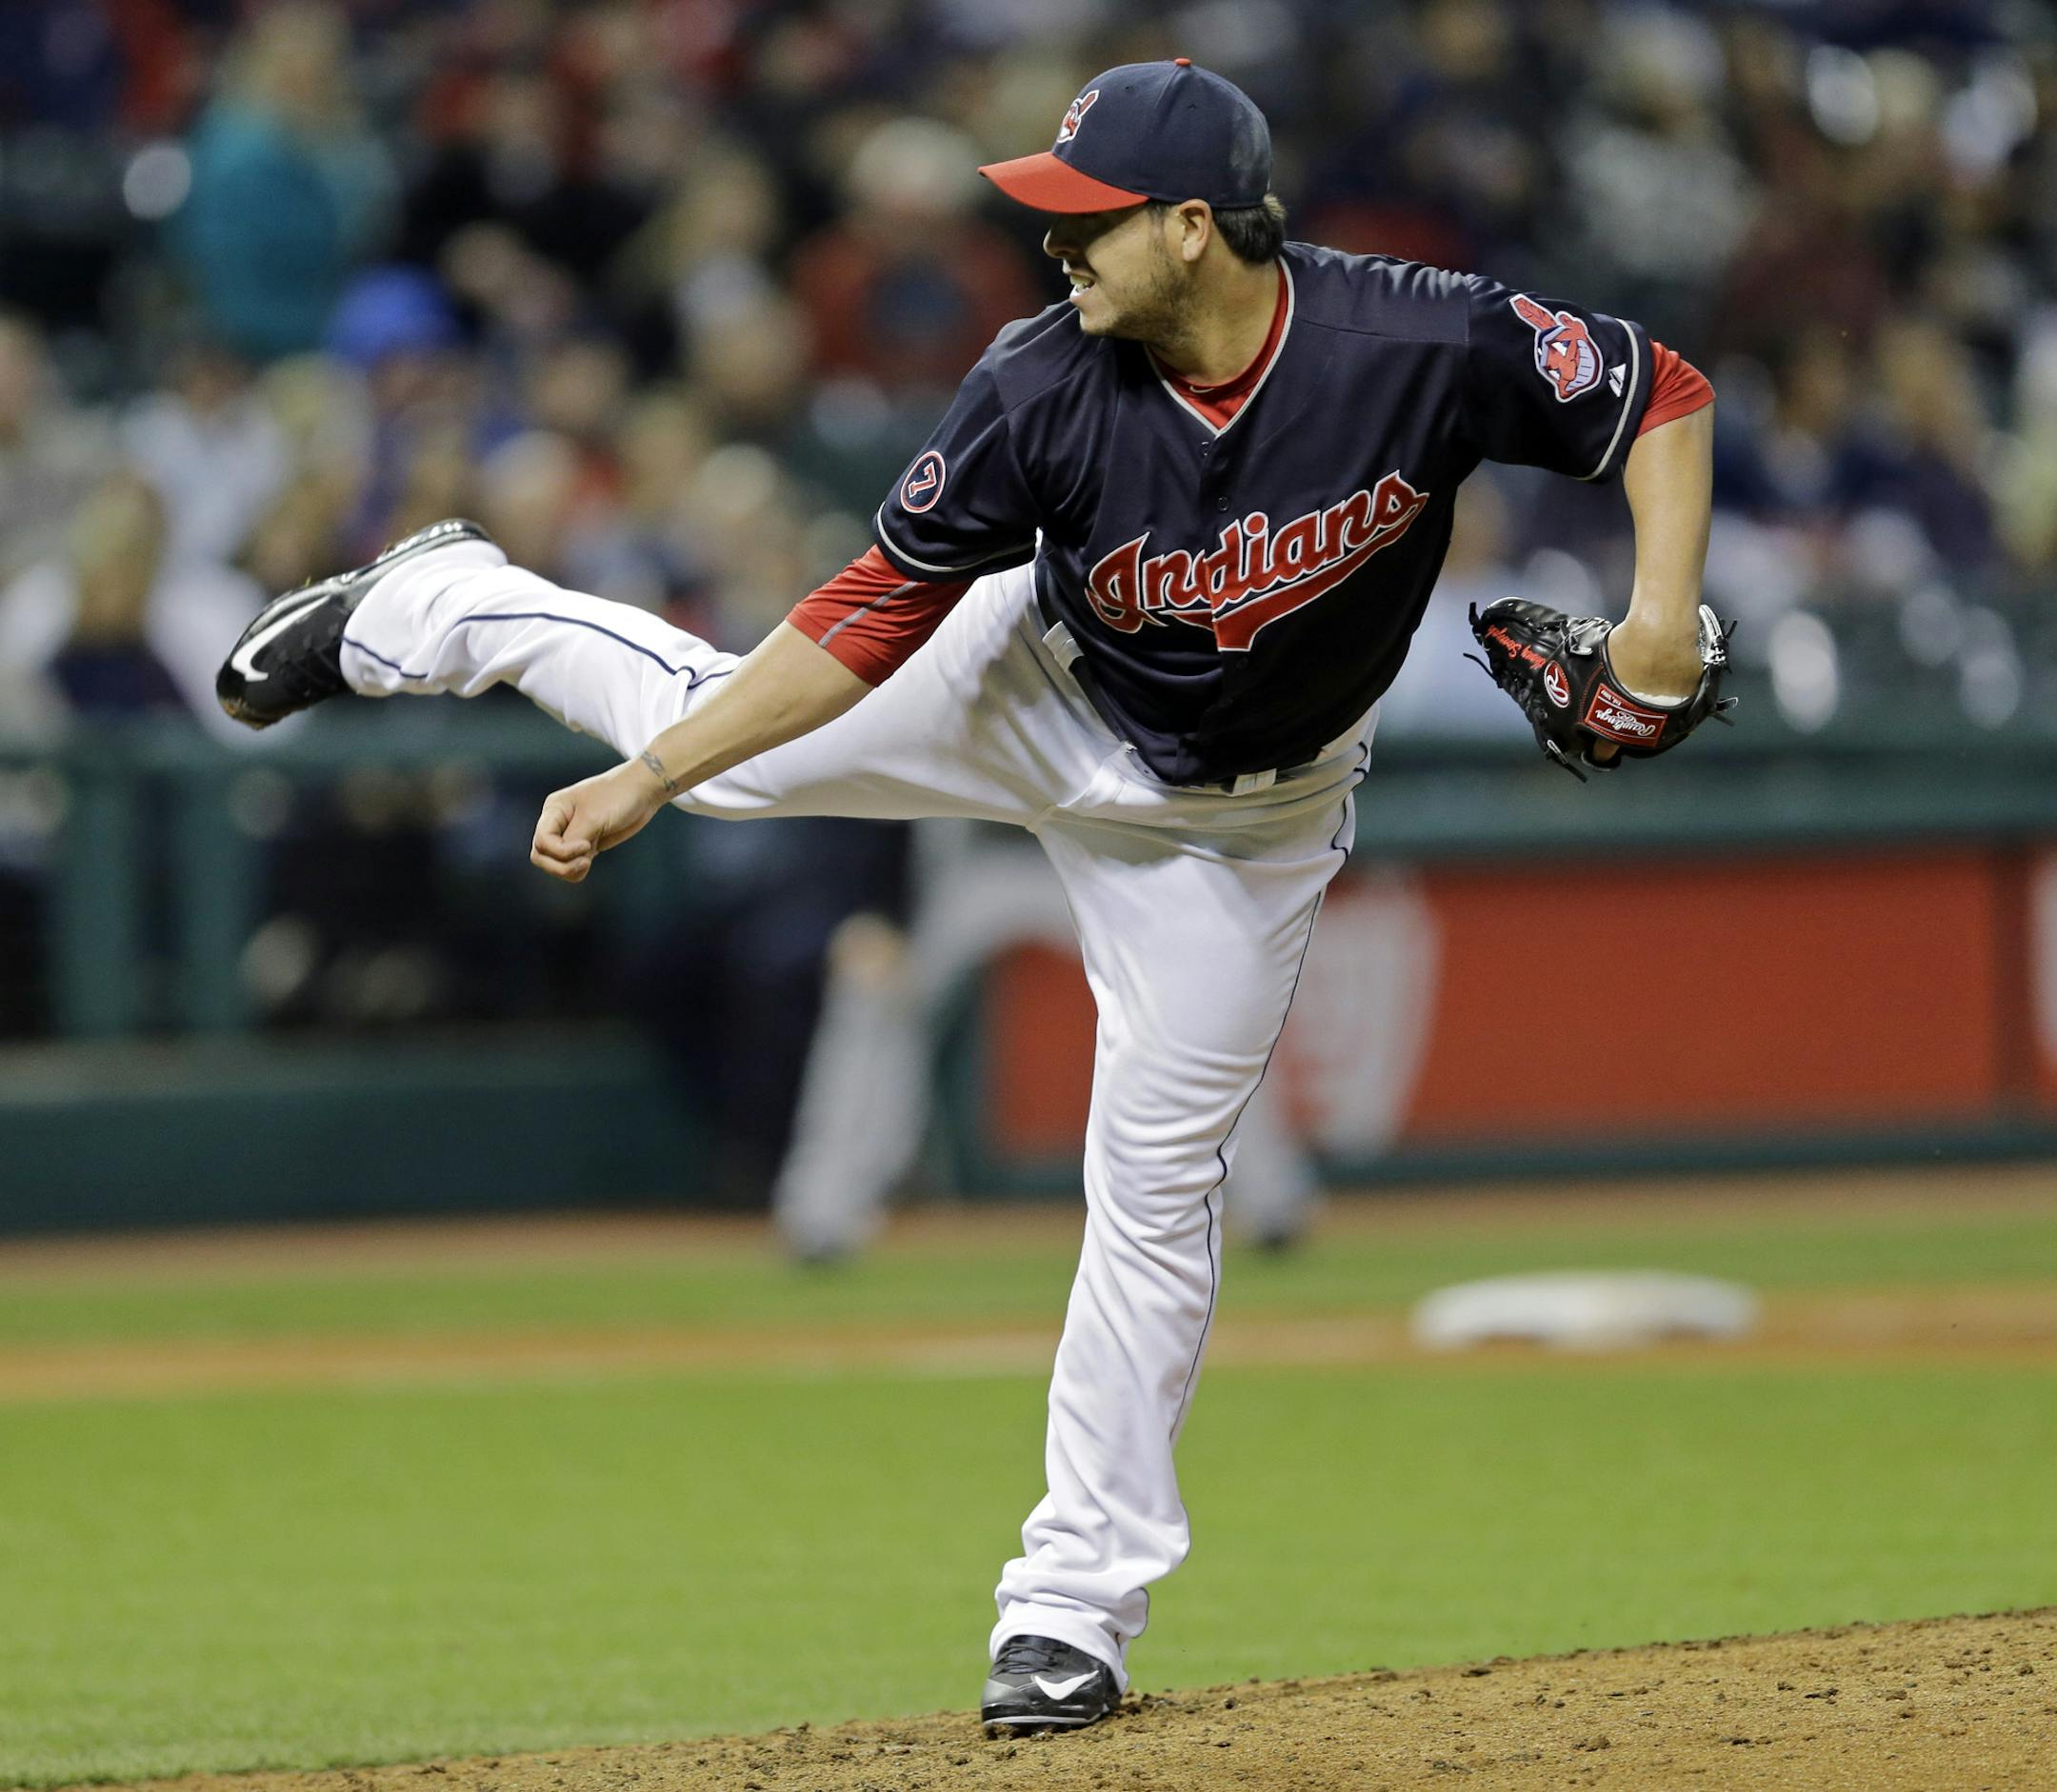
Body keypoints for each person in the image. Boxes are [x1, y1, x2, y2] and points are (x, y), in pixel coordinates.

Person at [217, 61, 1716, 1734]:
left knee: (1155, 1191)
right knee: (711, 740)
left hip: (1246, 825)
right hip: (1031, 688)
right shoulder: (1040, 379)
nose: (1054, 243)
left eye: (1090, 219)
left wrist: (1658, 622)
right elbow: (865, 612)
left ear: (1195, 226)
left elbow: (1655, 391)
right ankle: (435, 604)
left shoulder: (1408, 337)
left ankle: (1067, 1617)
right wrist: (656, 776)